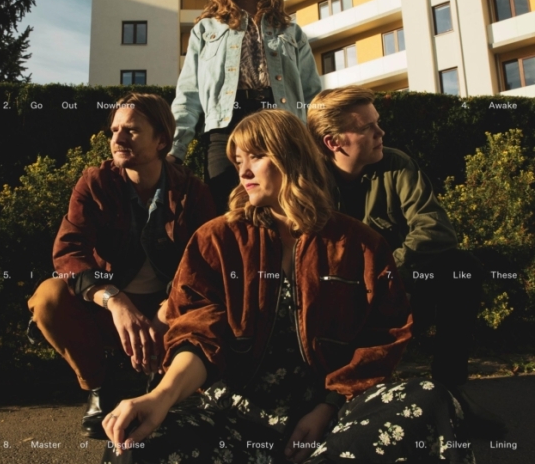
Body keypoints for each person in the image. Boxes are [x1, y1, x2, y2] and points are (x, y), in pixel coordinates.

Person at [102, 110, 474, 464]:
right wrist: (160, 397)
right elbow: (197, 337)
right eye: (238, 160)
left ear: (291, 157)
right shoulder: (216, 240)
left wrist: (328, 406)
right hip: (233, 421)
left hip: (334, 421)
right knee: (134, 439)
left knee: (432, 400)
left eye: (256, 156)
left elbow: (381, 338)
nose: (244, 170)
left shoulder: (359, 244)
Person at [307, 85, 501, 436]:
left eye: (378, 122)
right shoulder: (309, 181)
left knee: (462, 268)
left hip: (397, 281)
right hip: (334, 295)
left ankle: (450, 392)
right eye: (367, 127)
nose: (381, 133)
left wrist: (388, 271)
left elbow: (435, 228)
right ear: (333, 142)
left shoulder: (396, 164)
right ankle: (326, 400)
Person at [27, 93, 215, 439]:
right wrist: (113, 299)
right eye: (114, 130)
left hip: (168, 308)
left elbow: (205, 264)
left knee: (213, 309)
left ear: (161, 141)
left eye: (131, 130)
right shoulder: (95, 182)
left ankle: (166, 384)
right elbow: (69, 251)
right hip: (110, 307)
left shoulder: (191, 191)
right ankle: (99, 387)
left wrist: (170, 306)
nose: (117, 138)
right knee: (49, 297)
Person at [167, 0, 322, 214]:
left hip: (281, 127)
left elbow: (311, 95)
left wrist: (319, 144)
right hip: (225, 130)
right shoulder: (205, 30)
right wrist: (174, 150)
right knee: (230, 212)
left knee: (286, 210)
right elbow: (189, 94)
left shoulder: (291, 31)